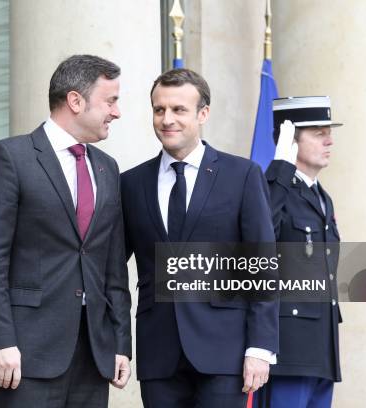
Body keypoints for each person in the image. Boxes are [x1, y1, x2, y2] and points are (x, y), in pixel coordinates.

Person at [0, 54, 131, 408]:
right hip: (25, 354)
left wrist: (120, 343)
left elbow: (112, 266)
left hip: (93, 354)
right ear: (75, 100)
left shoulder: (106, 167)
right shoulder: (11, 158)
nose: (116, 112)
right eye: (111, 101)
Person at [121, 68, 278, 408]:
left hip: (225, 353)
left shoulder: (242, 175)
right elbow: (111, 270)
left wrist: (260, 348)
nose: (167, 119)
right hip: (158, 354)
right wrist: (118, 343)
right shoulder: (131, 184)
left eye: (179, 110)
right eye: (159, 109)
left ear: (203, 113)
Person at [255, 96, 343, 408]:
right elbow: (259, 236)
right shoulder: (272, 189)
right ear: (291, 139)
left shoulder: (322, 197)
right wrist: (278, 170)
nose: (329, 140)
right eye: (318, 133)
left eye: (328, 132)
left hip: (321, 348)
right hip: (289, 349)